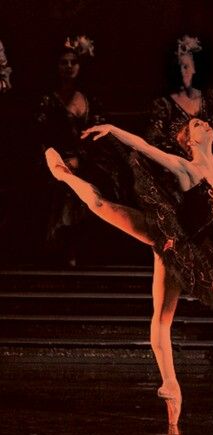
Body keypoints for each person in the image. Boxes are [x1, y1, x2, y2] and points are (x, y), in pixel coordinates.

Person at [44, 116, 213, 427]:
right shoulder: (186, 167)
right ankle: (64, 175)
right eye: (197, 125)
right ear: (189, 141)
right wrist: (113, 129)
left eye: (205, 122)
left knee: (164, 318)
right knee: (100, 205)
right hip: (168, 236)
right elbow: (143, 146)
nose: (205, 125)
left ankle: (171, 387)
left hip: (188, 247)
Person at [147, 35, 213, 232]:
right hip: (183, 164)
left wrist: (211, 154)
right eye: (178, 67)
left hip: (211, 157)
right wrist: (189, 155)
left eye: (186, 66)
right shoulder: (164, 104)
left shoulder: (207, 97)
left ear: (194, 69)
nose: (182, 71)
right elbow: (155, 140)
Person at [36, 36, 105, 266]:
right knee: (65, 185)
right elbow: (43, 137)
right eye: (63, 63)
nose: (68, 67)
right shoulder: (50, 100)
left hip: (88, 160)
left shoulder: (90, 98)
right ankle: (64, 248)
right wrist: (62, 160)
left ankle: (86, 249)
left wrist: (84, 156)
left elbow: (97, 132)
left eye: (72, 63)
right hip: (58, 160)